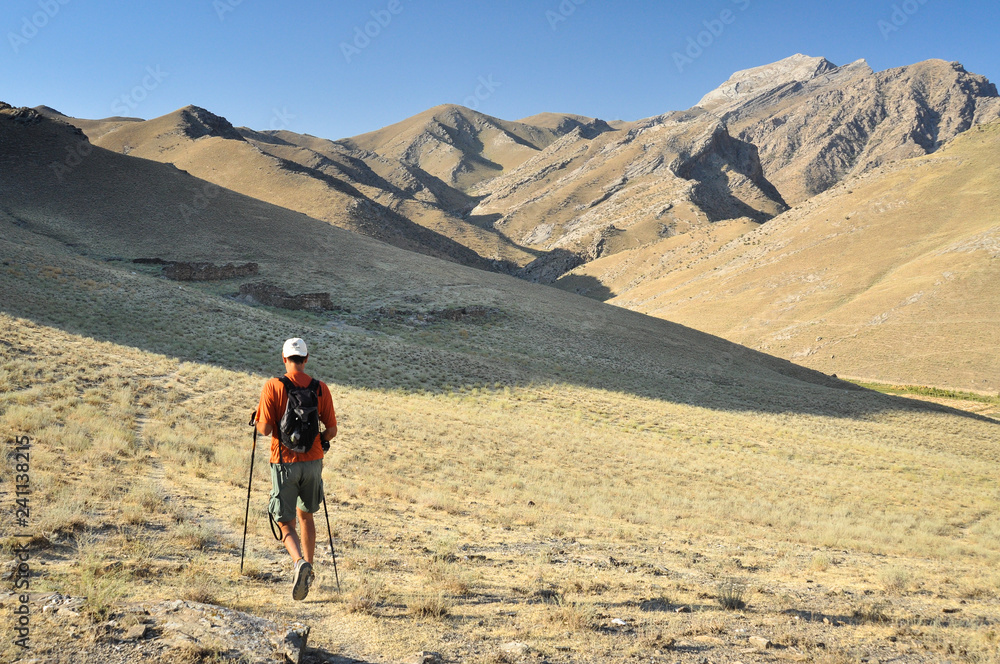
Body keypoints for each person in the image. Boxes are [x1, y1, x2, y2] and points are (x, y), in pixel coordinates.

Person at [255, 338, 337, 600]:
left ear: (284, 358)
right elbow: (332, 430)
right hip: (313, 463)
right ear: (306, 359)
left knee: (285, 522)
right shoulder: (320, 388)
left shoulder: (273, 386)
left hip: (284, 462)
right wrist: (321, 443)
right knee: (307, 516)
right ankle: (309, 569)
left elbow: (266, 429)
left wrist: (256, 419)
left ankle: (299, 562)